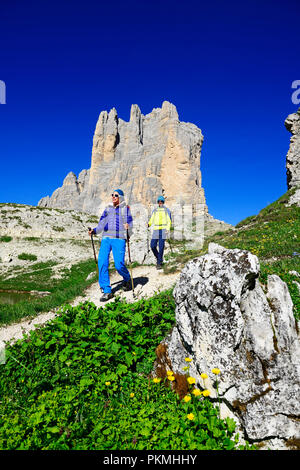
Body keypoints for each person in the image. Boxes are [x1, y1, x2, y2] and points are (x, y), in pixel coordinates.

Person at [88, 189, 133, 301]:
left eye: (116, 195)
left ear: (121, 197)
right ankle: (107, 291)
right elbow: (101, 224)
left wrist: (129, 228)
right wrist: (94, 231)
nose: (113, 197)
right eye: (112, 195)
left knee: (119, 264)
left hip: (119, 239)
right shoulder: (107, 209)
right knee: (102, 262)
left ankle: (127, 278)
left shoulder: (126, 209)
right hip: (106, 238)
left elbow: (130, 224)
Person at [148, 195, 172, 269]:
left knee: (161, 246)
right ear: (158, 202)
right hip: (156, 230)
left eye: (161, 201)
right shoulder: (155, 211)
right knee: (152, 245)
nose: (160, 202)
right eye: (159, 201)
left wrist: (168, 229)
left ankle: (159, 263)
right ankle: (159, 258)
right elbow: (152, 219)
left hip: (164, 230)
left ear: (163, 202)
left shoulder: (167, 210)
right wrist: (148, 224)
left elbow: (169, 221)